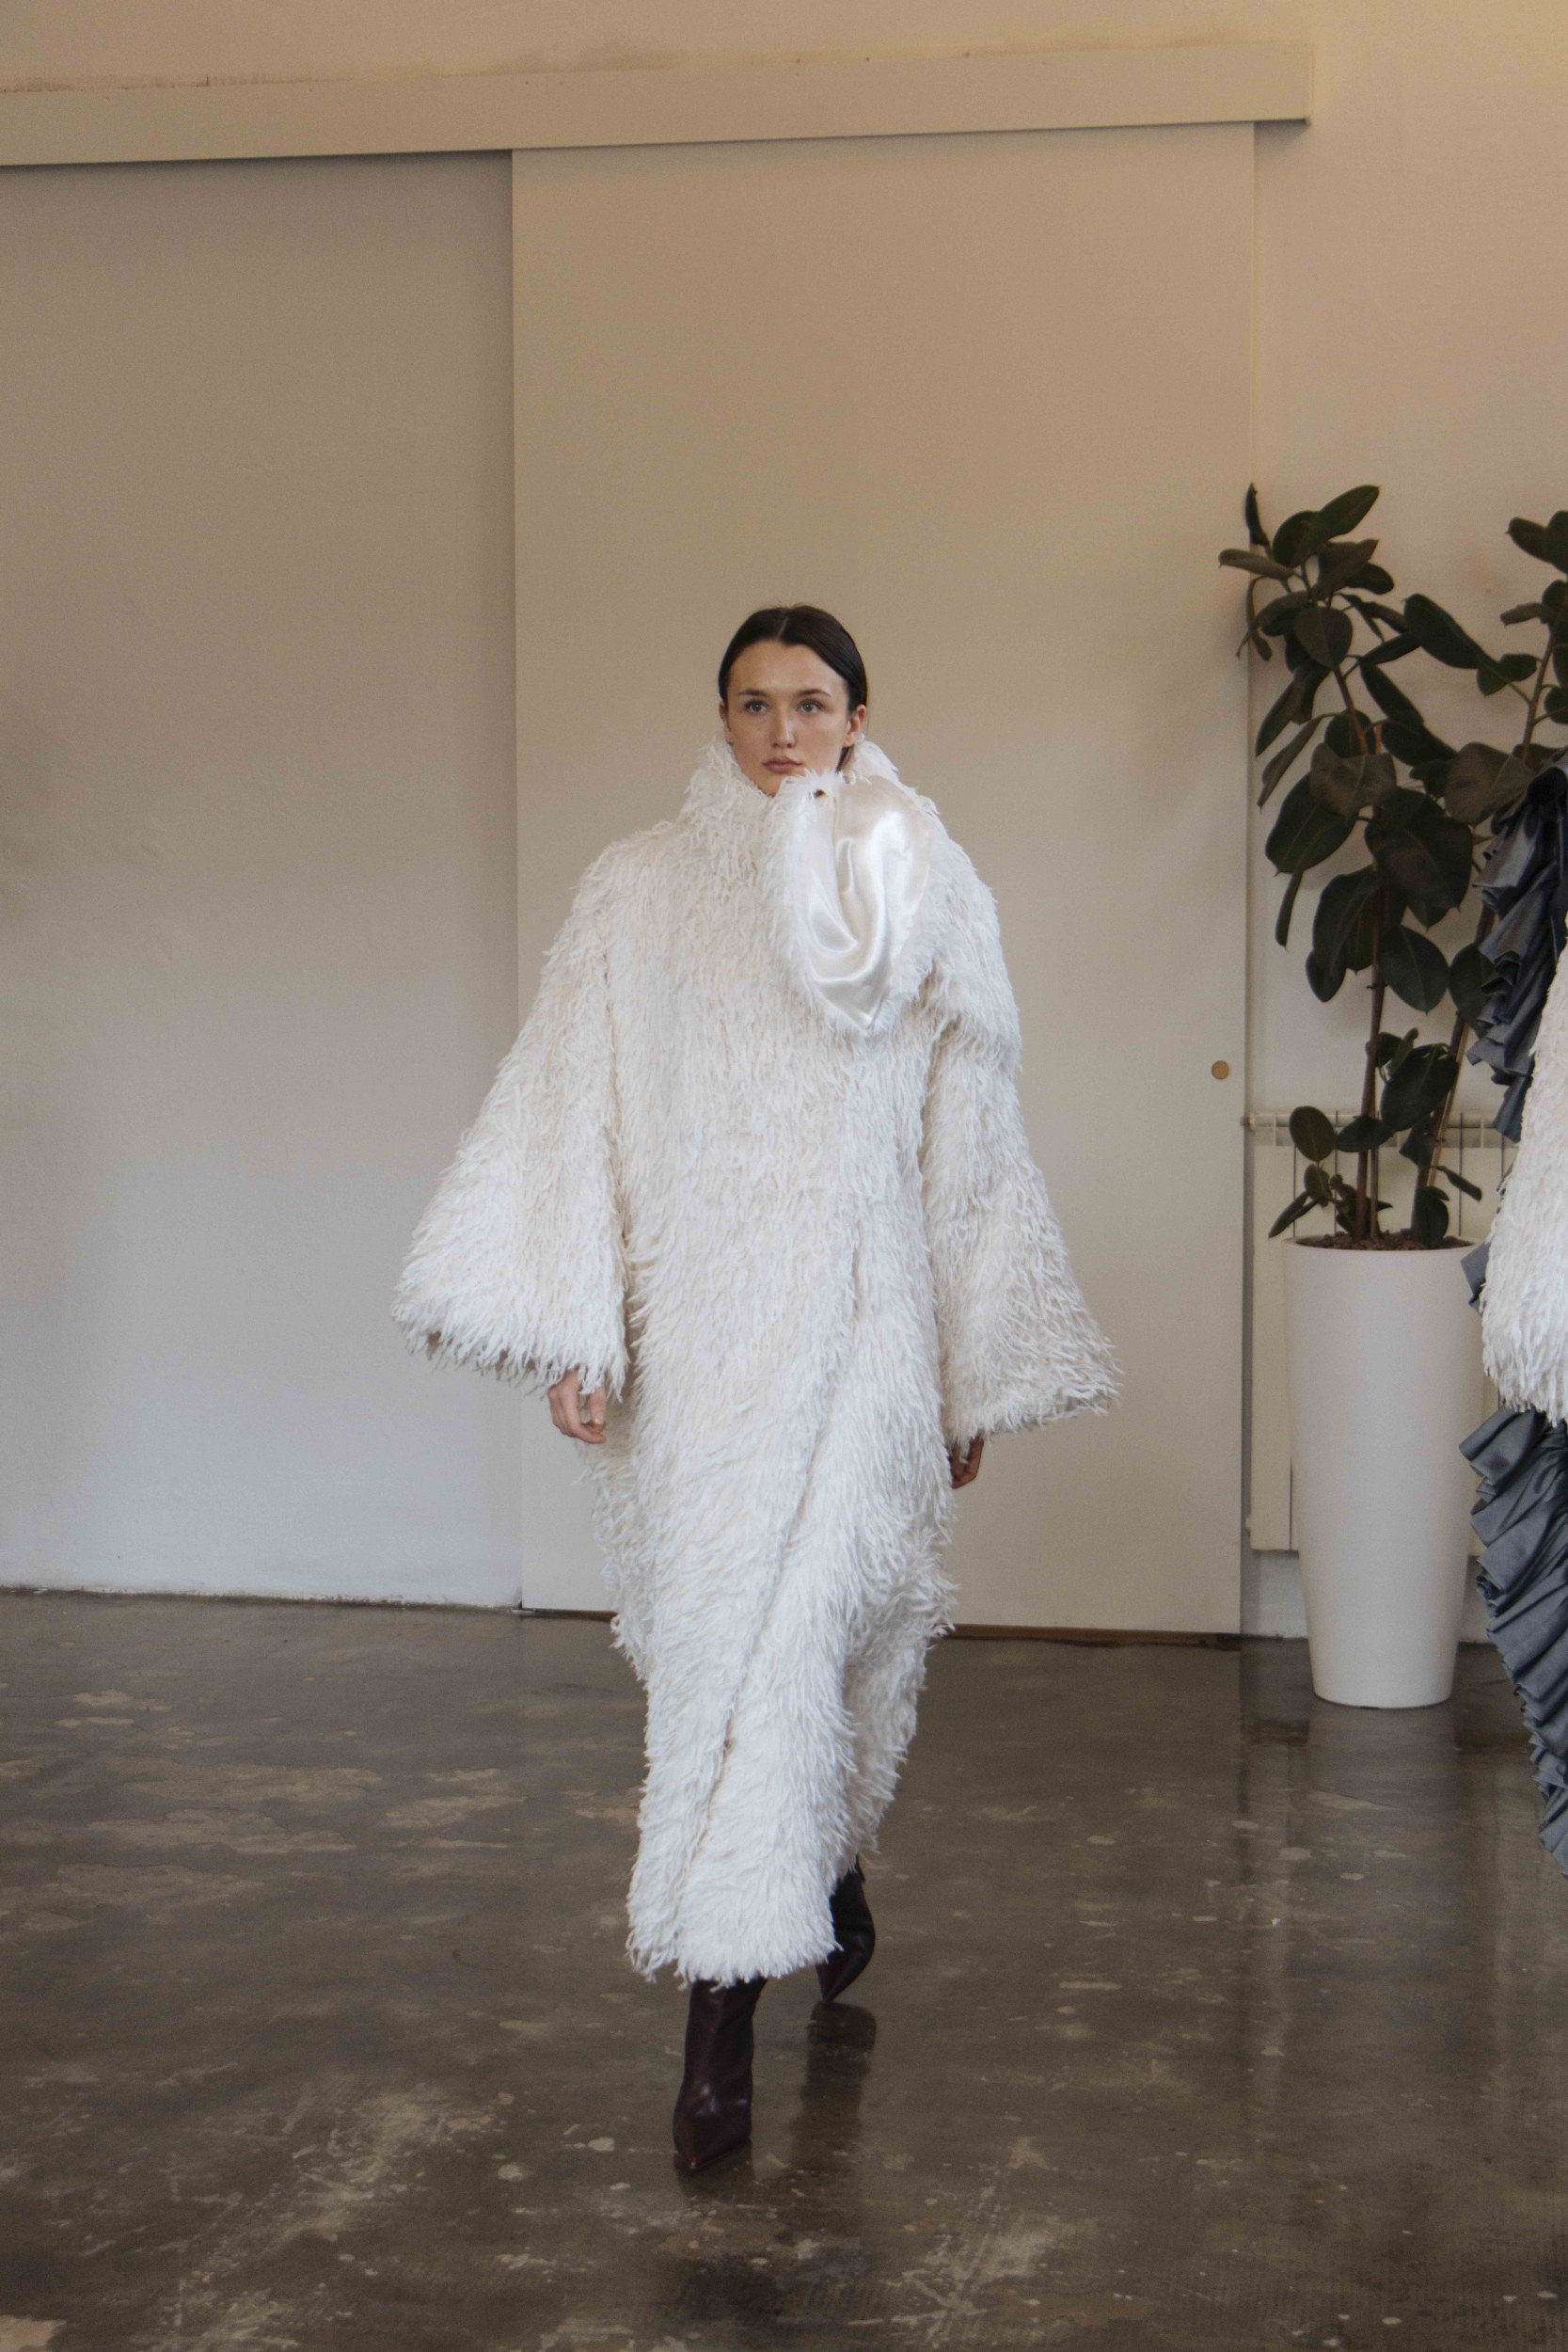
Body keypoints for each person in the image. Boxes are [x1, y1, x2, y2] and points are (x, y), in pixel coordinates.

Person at [394, 605, 1117, 2170]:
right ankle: (829, 1871)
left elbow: (970, 1138)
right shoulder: (636, 895)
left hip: (867, 1330)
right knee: (716, 1649)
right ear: (717, 719)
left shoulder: (923, 882)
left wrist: (969, 1368)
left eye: (810, 702)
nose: (781, 731)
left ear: (861, 713)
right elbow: (568, 1107)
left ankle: (714, 2033)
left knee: (806, 1638)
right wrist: (577, 1324)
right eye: (751, 704)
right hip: (703, 1342)